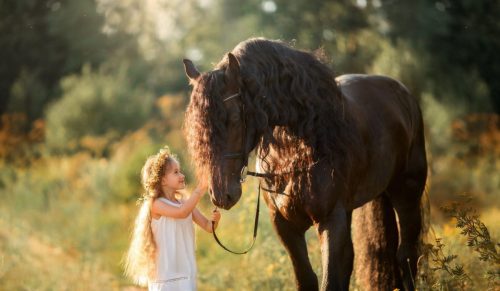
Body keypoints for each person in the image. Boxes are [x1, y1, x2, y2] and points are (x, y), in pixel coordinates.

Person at [124, 146, 221, 291]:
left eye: (180, 171)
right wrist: (199, 190)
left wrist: (215, 220)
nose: (182, 175)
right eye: (176, 172)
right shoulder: (156, 205)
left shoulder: (184, 202)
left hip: (186, 273)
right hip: (166, 277)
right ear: (162, 180)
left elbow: (208, 227)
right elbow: (182, 213)